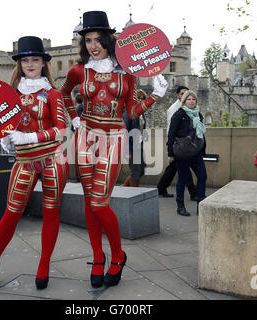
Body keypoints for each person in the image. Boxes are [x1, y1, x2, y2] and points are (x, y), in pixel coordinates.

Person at [61, 11, 168, 288]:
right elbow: (63, 94)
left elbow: (131, 110)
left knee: (99, 202)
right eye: (88, 40)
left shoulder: (128, 73)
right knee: (88, 202)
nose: (93, 45)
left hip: (113, 138)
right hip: (85, 137)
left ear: (109, 39)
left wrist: (156, 94)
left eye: (98, 39)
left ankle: (118, 255)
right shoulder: (78, 70)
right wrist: (74, 119)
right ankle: (98, 256)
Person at [0, 36, 69, 291]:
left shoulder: (53, 93)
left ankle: (44, 264)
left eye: (35, 59)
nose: (31, 64)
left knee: (51, 213)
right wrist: (5, 138)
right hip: (23, 160)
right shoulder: (7, 94)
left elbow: (63, 131)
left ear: (44, 63)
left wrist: (29, 137)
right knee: (12, 212)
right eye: (25, 60)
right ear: (19, 64)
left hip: (53, 159)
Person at [167, 90, 207, 216]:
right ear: (184, 101)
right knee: (183, 180)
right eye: (189, 99)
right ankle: (180, 206)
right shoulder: (179, 114)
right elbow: (171, 134)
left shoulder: (198, 115)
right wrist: (170, 153)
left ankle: (200, 204)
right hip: (182, 153)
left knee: (202, 176)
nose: (191, 101)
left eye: (193, 99)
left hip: (196, 152)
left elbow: (200, 133)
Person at [157, 86, 197, 199]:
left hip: (183, 144)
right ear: (177, 95)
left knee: (174, 168)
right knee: (183, 168)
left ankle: (161, 188)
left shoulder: (186, 108)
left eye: (187, 93)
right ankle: (193, 192)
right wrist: (171, 147)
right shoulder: (174, 109)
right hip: (177, 144)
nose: (185, 95)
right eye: (182, 93)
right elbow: (171, 129)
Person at [122, 90, 147, 187]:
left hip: (138, 146)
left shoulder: (141, 113)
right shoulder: (128, 113)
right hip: (131, 147)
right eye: (138, 98)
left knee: (141, 169)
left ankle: (125, 186)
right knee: (136, 171)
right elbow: (125, 132)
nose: (140, 100)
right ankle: (134, 194)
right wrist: (127, 151)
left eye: (142, 98)